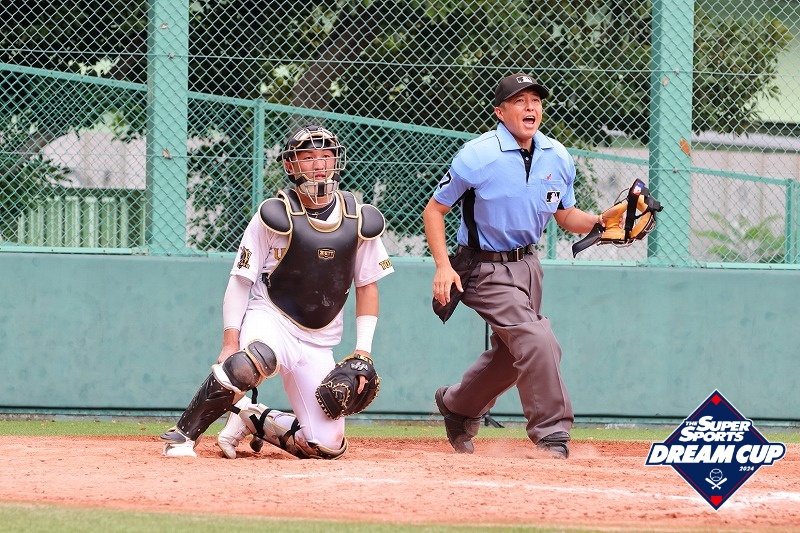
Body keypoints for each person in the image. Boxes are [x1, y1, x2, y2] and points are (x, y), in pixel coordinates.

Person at [160, 124, 394, 459]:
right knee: (252, 362)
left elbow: (367, 286)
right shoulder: (274, 215)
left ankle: (251, 416)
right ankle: (182, 436)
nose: (319, 164)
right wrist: (230, 341)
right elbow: (240, 280)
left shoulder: (358, 219)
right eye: (308, 157)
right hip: (272, 317)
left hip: (320, 338)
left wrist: (362, 352)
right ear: (290, 164)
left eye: (326, 156)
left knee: (326, 446)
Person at [422, 73, 607, 459]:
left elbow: (566, 215)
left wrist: (602, 222)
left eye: (535, 100)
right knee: (538, 340)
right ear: (500, 112)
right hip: (484, 268)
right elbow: (435, 210)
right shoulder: (478, 155)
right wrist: (442, 266)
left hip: (529, 266)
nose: (530, 107)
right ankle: (552, 434)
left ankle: (458, 406)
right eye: (520, 101)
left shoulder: (557, 155)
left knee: (511, 356)